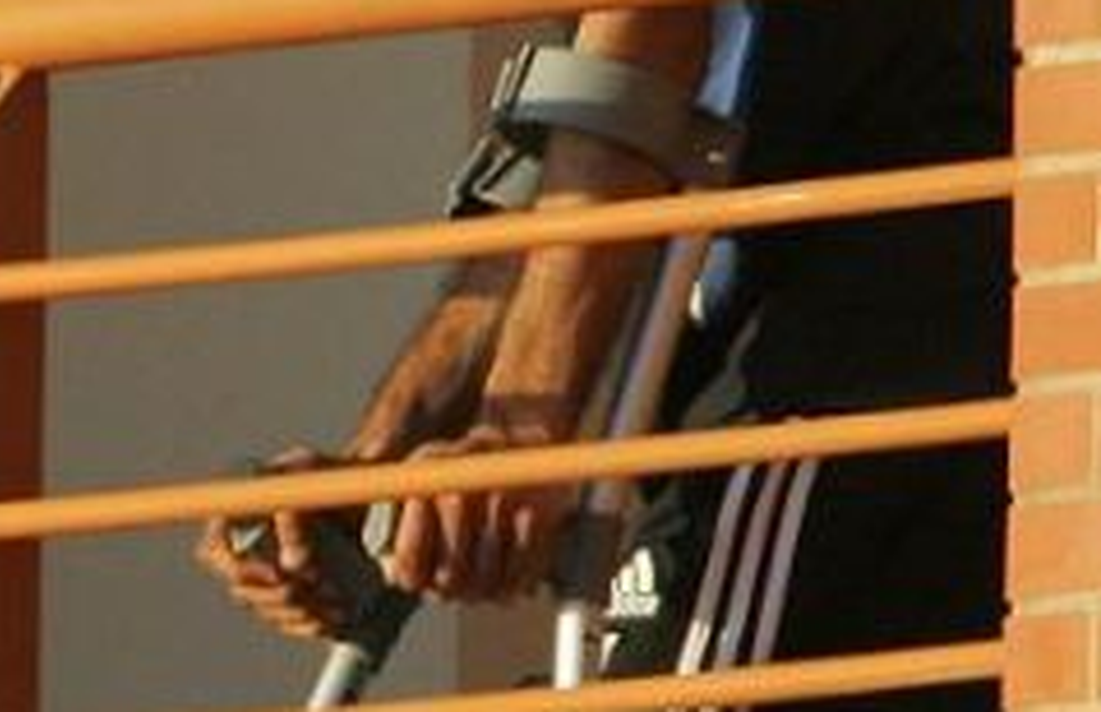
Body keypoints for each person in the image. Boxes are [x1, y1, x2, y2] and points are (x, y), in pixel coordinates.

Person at [197, 1, 1013, 708]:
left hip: (859, 348)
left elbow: (642, 43)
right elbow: (583, 139)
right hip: (773, 370)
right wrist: (375, 468)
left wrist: (520, 435)